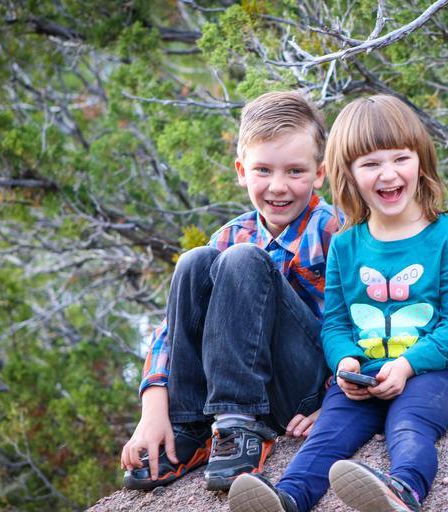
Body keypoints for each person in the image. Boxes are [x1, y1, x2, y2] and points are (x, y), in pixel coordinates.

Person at [227, 94, 448, 512]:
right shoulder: (346, 244)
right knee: (327, 436)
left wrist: (406, 366)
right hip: (363, 378)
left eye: (400, 158)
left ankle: (402, 491)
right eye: (370, 164)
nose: (388, 174)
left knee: (409, 425)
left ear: (421, 160)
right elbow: (335, 324)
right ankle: (288, 498)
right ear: (347, 173)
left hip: (434, 375)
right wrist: (345, 362)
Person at [120, 91, 341, 492]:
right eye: (263, 170)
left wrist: (336, 402)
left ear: (319, 173)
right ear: (241, 170)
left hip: (303, 392)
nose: (278, 186)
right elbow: (172, 329)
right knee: (195, 262)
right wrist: (153, 407)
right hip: (237, 391)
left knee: (243, 259)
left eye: (295, 171)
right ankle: (189, 427)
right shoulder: (232, 233)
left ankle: (241, 427)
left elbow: (361, 321)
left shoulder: (334, 231)